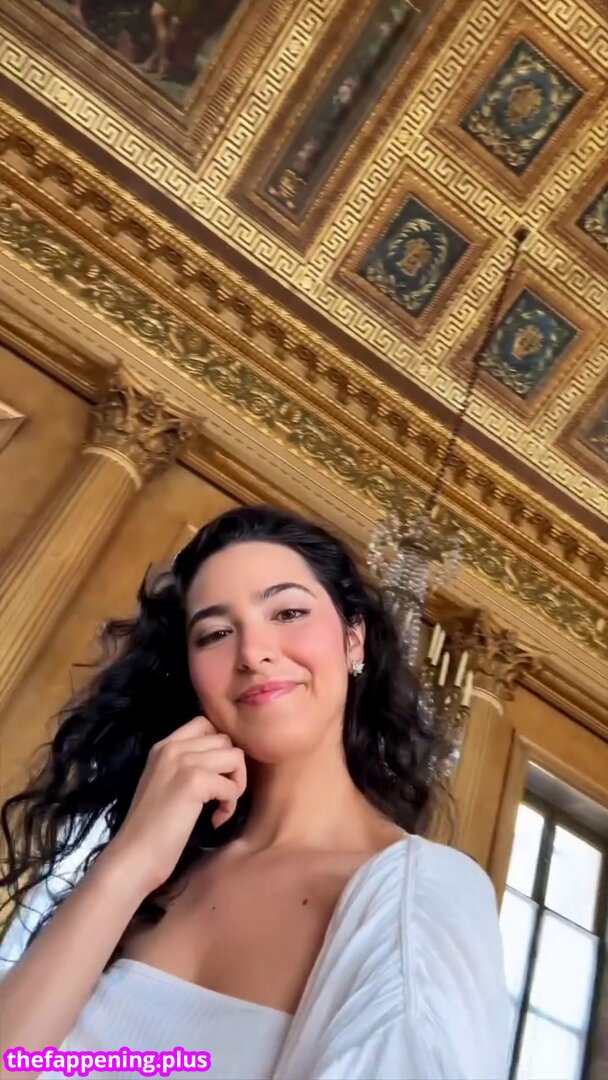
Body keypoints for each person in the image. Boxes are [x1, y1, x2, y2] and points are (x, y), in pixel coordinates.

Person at [0, 505, 510, 1079]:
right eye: (215, 634)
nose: (251, 653)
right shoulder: (162, 871)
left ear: (353, 640)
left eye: (288, 612)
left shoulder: (418, 893)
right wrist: (127, 864)